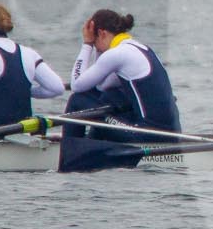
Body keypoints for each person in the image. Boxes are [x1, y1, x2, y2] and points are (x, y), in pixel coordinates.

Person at [65, 9, 180, 138]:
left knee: (77, 100)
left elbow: (76, 85)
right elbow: (101, 87)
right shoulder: (141, 49)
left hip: (149, 135)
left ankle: (70, 154)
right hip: (172, 132)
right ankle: (91, 145)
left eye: (94, 42)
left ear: (101, 33)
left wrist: (87, 44)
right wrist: (98, 49)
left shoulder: (116, 54)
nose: (95, 47)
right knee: (110, 96)